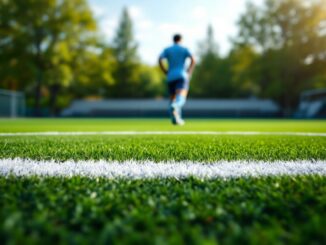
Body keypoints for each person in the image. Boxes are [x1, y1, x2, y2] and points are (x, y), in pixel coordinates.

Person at [158, 34, 195, 125]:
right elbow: (193, 59)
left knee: (173, 98)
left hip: (170, 77)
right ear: (181, 40)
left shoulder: (167, 49)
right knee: (180, 98)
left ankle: (176, 119)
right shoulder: (184, 49)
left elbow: (160, 59)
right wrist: (189, 72)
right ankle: (175, 107)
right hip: (181, 76)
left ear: (173, 40)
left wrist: (165, 71)